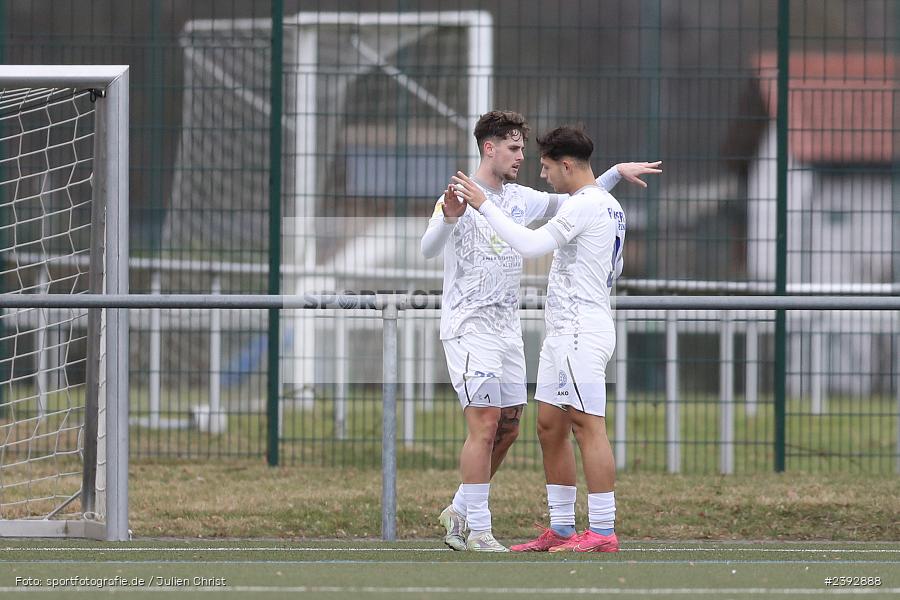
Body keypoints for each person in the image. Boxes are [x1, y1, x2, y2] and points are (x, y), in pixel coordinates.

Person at [422, 111, 659, 552]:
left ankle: (601, 530)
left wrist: (486, 205)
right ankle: (525, 526)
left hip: (574, 330)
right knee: (541, 424)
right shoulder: (459, 195)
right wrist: (453, 217)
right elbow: (427, 248)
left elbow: (550, 225)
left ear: (564, 165)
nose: (535, 168)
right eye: (515, 149)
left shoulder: (551, 201)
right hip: (480, 328)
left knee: (560, 424)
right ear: (488, 147)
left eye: (542, 162)